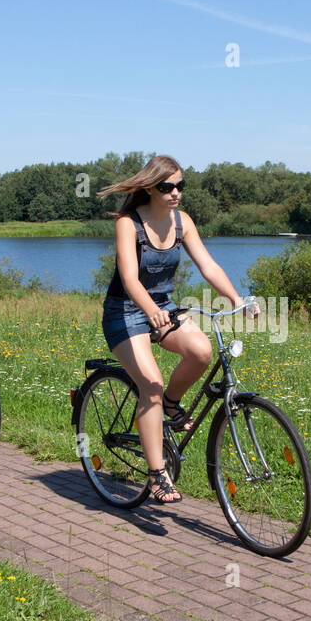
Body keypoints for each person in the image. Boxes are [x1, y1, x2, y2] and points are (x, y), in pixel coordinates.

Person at [98, 155, 258, 503]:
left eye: (180, 186)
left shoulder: (182, 222)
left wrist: (235, 298)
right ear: (150, 188)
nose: (175, 193)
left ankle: (171, 403)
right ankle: (157, 475)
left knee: (202, 352)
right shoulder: (129, 223)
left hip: (163, 308)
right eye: (166, 186)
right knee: (150, 384)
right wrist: (150, 311)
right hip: (125, 311)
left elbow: (208, 265)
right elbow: (128, 277)